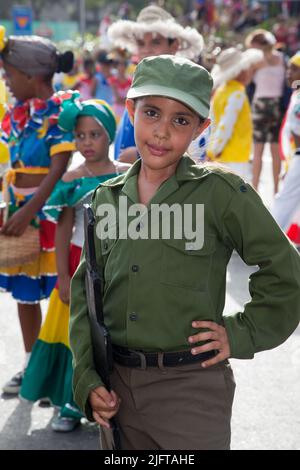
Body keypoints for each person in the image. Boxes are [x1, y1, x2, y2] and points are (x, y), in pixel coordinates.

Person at [70, 55, 300, 450]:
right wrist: (87, 380)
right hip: (117, 390)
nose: (161, 132)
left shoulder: (222, 193)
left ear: (201, 127)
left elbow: (285, 272)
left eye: (180, 120)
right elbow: (84, 298)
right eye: (152, 112)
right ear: (130, 110)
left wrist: (240, 333)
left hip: (191, 388)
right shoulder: (105, 200)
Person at [20, 94, 130, 432]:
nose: (86, 142)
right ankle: (70, 405)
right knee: (76, 335)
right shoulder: (71, 179)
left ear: (109, 135)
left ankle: (115, 405)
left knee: (113, 335)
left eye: (94, 134)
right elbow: (64, 231)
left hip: (118, 268)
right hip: (78, 265)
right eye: (80, 136)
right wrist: (64, 277)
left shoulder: (127, 175)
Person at [0, 27, 76, 394]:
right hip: (19, 214)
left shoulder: (60, 114)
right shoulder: (17, 114)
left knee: (62, 295)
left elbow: (59, 168)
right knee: (24, 295)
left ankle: (61, 371)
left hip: (50, 216)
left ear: (31, 76)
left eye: (9, 75)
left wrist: (29, 209)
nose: (6, 82)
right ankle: (32, 365)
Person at [107, 4, 204, 163]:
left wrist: (139, 155)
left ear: (174, 46)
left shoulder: (184, 89)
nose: (146, 50)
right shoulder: (138, 84)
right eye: (141, 43)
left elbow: (194, 145)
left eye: (155, 42)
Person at [207, 47, 263, 179]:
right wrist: (214, 151)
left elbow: (213, 121)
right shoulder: (237, 93)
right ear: (239, 71)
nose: (250, 72)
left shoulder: (222, 90)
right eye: (248, 68)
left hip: (222, 154)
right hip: (234, 156)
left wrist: (211, 150)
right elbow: (226, 125)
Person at [245, 29, 286, 193]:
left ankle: (255, 190)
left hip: (260, 106)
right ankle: (276, 189)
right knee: (276, 150)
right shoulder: (282, 58)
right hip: (277, 106)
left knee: (258, 150)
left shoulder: (256, 61)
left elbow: (246, 82)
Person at [272, 52, 300, 240]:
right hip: (296, 156)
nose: (288, 73)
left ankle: (266, 239)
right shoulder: (296, 94)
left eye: (294, 69)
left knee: (284, 199)